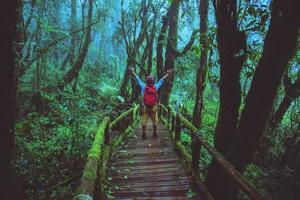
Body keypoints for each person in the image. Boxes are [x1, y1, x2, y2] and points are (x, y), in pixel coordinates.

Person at [129, 68, 172, 139]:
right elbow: (162, 80)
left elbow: (137, 78)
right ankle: (155, 133)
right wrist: (168, 74)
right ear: (153, 81)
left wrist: (133, 72)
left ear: (146, 81)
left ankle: (144, 134)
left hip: (145, 107)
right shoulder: (155, 87)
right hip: (153, 107)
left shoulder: (143, 86)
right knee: (155, 121)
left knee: (144, 120)